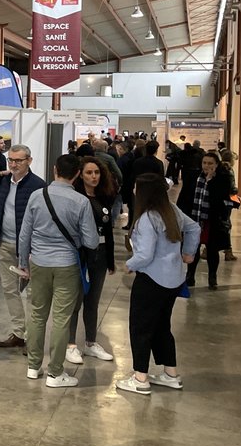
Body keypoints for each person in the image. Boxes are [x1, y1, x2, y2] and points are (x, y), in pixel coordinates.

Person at [17, 154, 98, 388]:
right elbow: (91, 241)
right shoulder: (81, 202)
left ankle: (33, 366)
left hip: (38, 262)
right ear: (76, 175)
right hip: (67, 265)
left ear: (55, 170)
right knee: (62, 318)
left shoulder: (36, 196)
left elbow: (25, 235)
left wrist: (24, 262)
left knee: (37, 314)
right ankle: (55, 372)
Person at [115, 175, 201, 395]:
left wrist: (129, 264)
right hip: (173, 280)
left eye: (136, 187)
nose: (133, 189)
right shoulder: (172, 210)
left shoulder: (146, 218)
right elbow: (194, 229)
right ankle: (170, 374)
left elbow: (144, 254)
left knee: (140, 328)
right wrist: (189, 253)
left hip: (150, 280)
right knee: (162, 326)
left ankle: (140, 378)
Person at [0, 144, 45, 349]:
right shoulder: (5, 181)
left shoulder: (38, 185)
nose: (13, 164)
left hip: (30, 250)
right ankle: (18, 332)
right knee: (9, 289)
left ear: (29, 161)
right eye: (10, 160)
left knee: (33, 294)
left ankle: (32, 338)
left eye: (18, 161)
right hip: (6, 243)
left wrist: (33, 248)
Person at [67, 157, 117, 364]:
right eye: (89, 173)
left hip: (101, 255)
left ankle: (90, 342)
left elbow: (109, 231)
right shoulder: (74, 198)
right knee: (74, 301)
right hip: (79, 256)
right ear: (80, 174)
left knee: (93, 301)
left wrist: (111, 260)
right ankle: (70, 345)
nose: (94, 176)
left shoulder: (105, 197)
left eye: (96, 172)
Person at [177, 152, 233, 289]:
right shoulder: (193, 176)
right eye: (204, 163)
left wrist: (210, 181)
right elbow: (184, 196)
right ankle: (190, 275)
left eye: (210, 163)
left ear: (216, 165)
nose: (206, 166)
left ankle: (212, 277)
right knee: (193, 248)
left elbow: (223, 198)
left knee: (212, 250)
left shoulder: (223, 179)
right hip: (194, 218)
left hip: (212, 220)